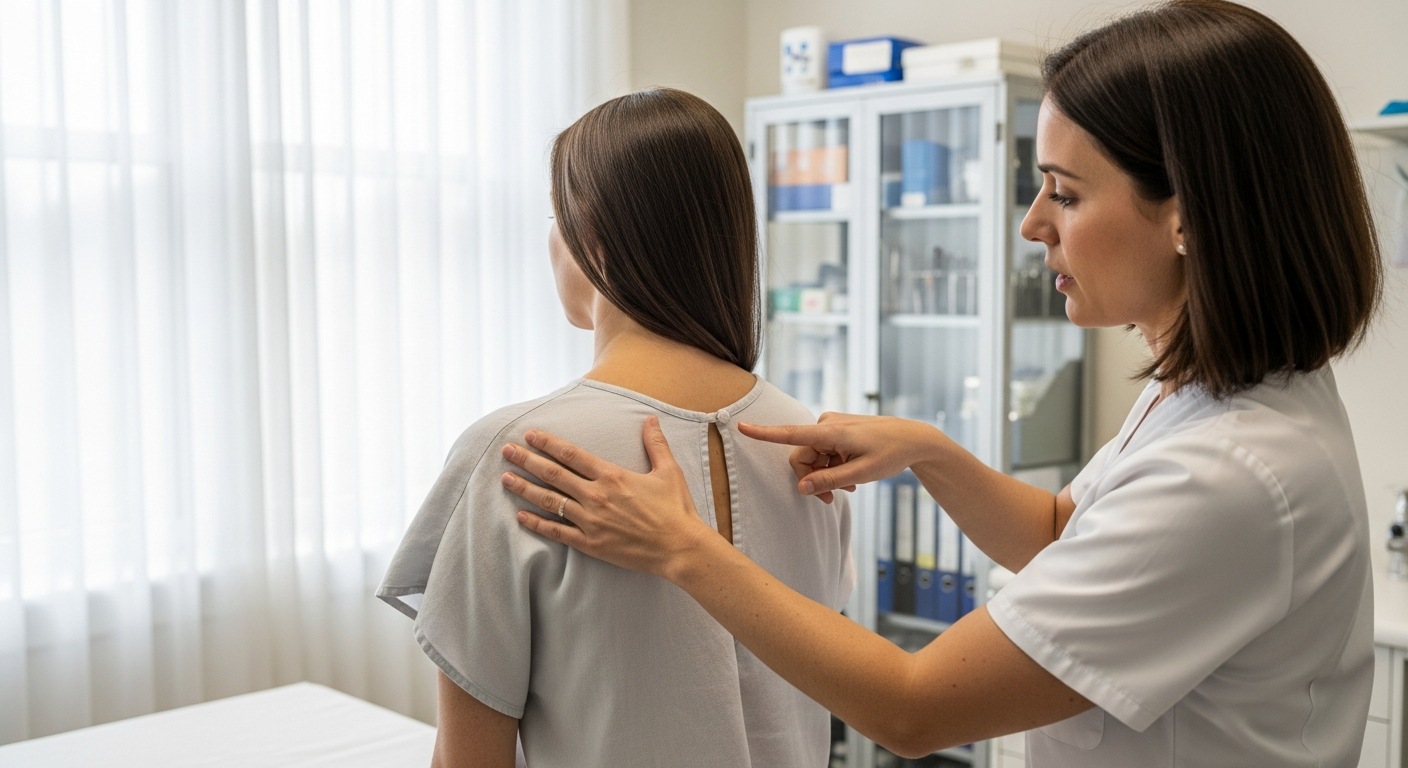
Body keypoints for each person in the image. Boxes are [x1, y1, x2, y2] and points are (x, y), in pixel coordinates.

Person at [496, 1, 1384, 765]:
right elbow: (1061, 534)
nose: (1033, 224)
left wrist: (683, 547)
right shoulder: (1208, 396)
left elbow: (913, 708)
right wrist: (927, 451)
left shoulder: (1233, 473)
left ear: (1185, 215)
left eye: (1065, 195)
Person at [375, 88, 854, 768]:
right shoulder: (811, 446)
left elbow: (469, 759)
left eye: (554, 216)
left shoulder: (522, 455)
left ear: (595, 240)